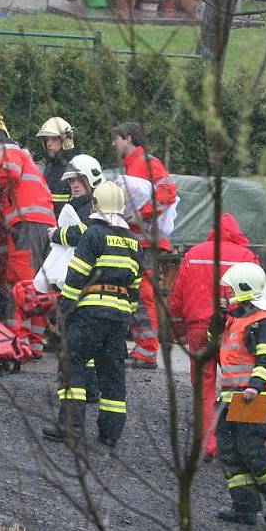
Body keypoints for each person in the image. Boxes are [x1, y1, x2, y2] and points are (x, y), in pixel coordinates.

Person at [43, 181, 143, 447]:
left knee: (72, 363)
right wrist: (126, 318)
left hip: (90, 313)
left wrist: (62, 311)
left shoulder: (93, 235)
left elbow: (76, 276)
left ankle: (71, 428)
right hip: (119, 317)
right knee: (112, 374)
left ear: (96, 205)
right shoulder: (134, 243)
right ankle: (110, 433)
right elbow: (135, 289)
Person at [170, 213, 258, 461]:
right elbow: (257, 294)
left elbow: (177, 297)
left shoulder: (193, 254)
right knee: (241, 385)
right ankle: (242, 446)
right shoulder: (245, 256)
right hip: (234, 327)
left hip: (199, 329)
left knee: (204, 387)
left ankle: (208, 445)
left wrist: (176, 328)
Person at [214, 262, 266, 525]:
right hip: (230, 397)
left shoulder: (265, 322)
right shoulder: (237, 318)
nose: (226, 294)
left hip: (254, 397)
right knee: (230, 451)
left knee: (250, 449)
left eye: (230, 289)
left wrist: (255, 386)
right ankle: (244, 507)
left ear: (243, 289)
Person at [111, 122, 177, 370]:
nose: (113, 144)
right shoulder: (133, 166)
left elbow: (168, 193)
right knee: (135, 294)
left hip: (146, 242)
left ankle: (147, 351)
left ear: (128, 139)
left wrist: (141, 215)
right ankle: (142, 348)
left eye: (116, 139)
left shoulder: (148, 163)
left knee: (143, 294)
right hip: (138, 241)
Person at [0, 139, 56, 357]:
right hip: (44, 225)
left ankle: (21, 343)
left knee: (21, 286)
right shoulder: (29, 165)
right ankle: (35, 344)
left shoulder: (10, 151)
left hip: (28, 225)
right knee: (38, 286)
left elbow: (11, 174)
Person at [45, 154, 105, 401]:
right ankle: (89, 389)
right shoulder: (83, 204)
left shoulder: (94, 206)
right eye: (71, 182)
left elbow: (83, 232)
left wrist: (57, 234)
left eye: (79, 180)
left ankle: (80, 395)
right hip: (83, 282)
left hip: (88, 283)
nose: (74, 185)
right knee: (82, 339)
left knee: (78, 340)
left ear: (91, 179)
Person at [36, 117, 80, 219]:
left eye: (54, 139)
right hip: (50, 221)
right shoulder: (49, 167)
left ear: (65, 140)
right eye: (47, 139)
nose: (49, 143)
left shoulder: (75, 166)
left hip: (69, 222)